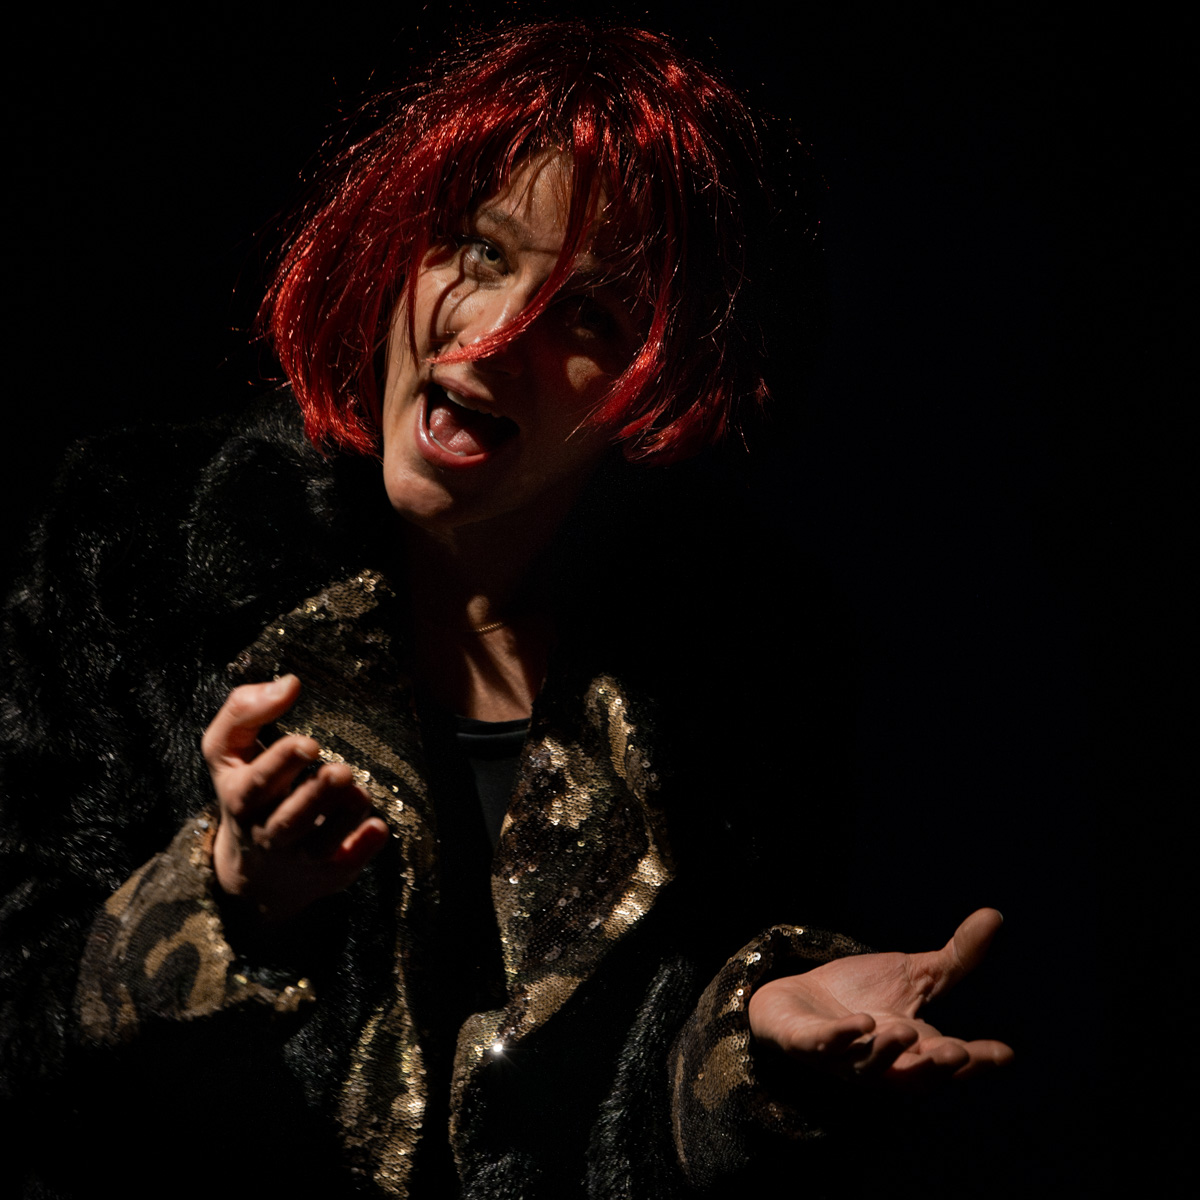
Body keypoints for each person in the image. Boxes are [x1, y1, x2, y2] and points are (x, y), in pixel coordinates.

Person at [1, 22, 1012, 1198]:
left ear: (659, 384)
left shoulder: (744, 654)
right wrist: (221, 898)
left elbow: (612, 1136)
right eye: (479, 252)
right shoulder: (133, 546)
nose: (494, 336)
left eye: (589, 316)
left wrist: (751, 1048)